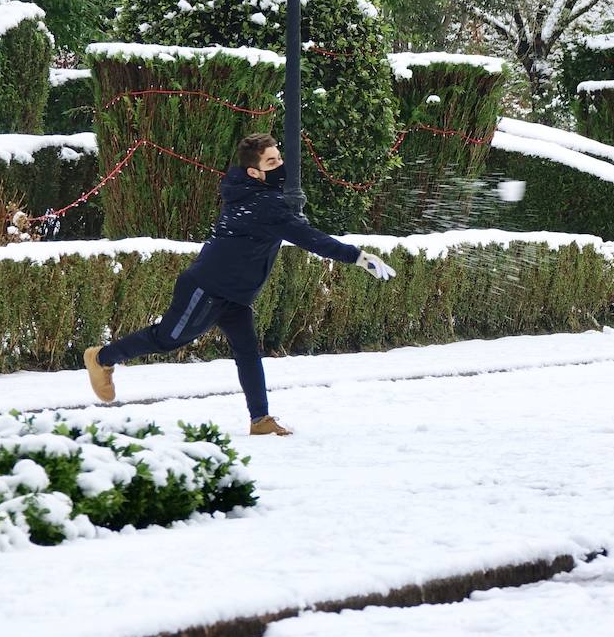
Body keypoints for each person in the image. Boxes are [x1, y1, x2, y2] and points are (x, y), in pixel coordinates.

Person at [82, 133, 398, 435]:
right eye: (271, 163)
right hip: (206, 289)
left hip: (234, 295)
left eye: (279, 159)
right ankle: (101, 358)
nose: (281, 167)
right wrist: (356, 256)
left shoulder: (256, 195)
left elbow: (291, 227)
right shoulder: (263, 204)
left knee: (247, 351)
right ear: (254, 172)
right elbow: (309, 238)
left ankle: (260, 419)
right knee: (169, 338)